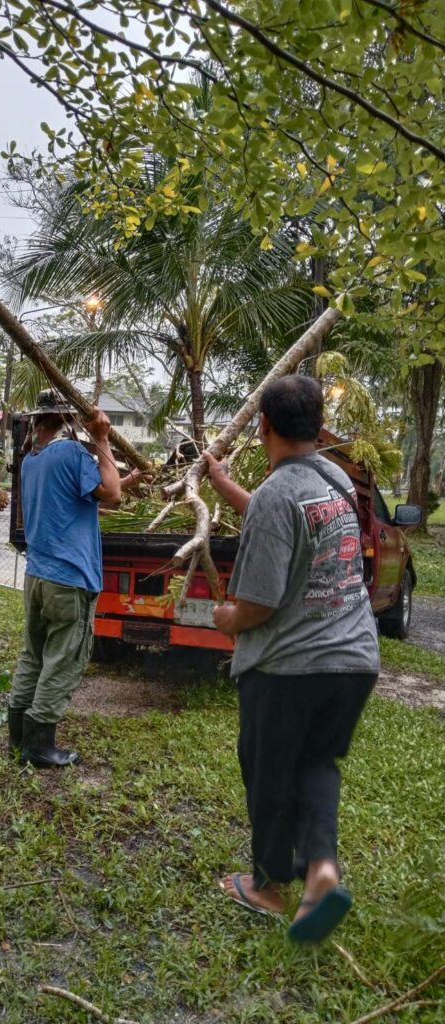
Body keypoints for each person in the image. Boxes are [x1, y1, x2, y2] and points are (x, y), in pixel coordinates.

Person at [205, 374, 379, 944]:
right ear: (318, 427)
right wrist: (224, 484)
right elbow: (281, 520)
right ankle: (322, 870)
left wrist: (228, 619)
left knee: (269, 772)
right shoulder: (332, 479)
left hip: (291, 666)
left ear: (263, 426)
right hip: (353, 659)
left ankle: (268, 886)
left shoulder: (277, 495)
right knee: (316, 763)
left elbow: (259, 601)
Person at [8, 391, 147, 768]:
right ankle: (39, 745)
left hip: (38, 576)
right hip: (69, 579)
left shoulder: (31, 461)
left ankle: (18, 736)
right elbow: (112, 496)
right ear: (68, 420)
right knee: (63, 658)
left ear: (37, 422)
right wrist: (101, 438)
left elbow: (85, 497)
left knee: (34, 655)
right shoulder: (72, 453)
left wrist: (129, 479)